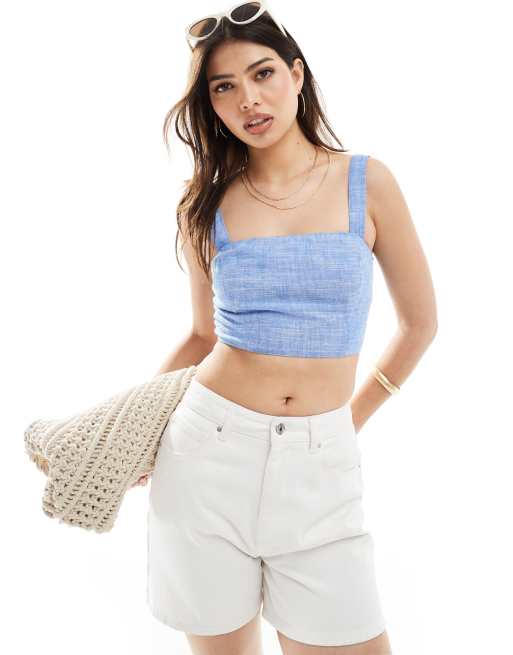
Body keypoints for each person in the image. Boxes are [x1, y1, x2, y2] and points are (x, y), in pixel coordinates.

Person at [143, 2, 438, 654]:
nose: (248, 99)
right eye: (224, 87)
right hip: (205, 457)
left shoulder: (366, 182)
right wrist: (136, 430)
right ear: (211, 105)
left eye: (263, 73)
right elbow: (201, 337)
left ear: (297, 75)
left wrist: (345, 421)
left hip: (319, 470)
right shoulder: (204, 204)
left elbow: (419, 324)